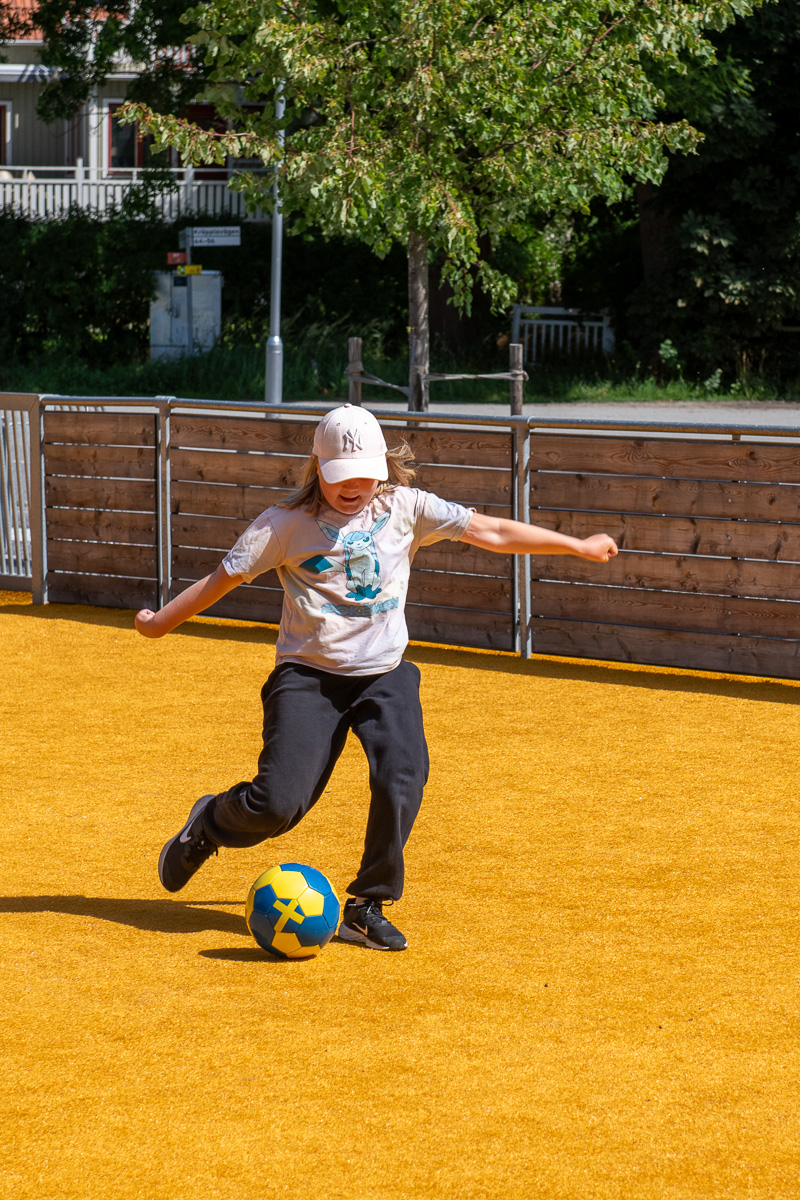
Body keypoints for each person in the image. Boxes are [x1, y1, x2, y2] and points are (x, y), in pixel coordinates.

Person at [135, 404, 618, 951]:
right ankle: (209, 824)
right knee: (277, 806)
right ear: (316, 468)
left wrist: (576, 545)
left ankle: (368, 902)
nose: (354, 487)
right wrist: (159, 624)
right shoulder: (283, 526)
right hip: (308, 678)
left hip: (383, 675)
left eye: (365, 474)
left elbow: (493, 531)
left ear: (383, 465)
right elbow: (218, 582)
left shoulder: (406, 507)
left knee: (403, 774)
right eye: (340, 476)